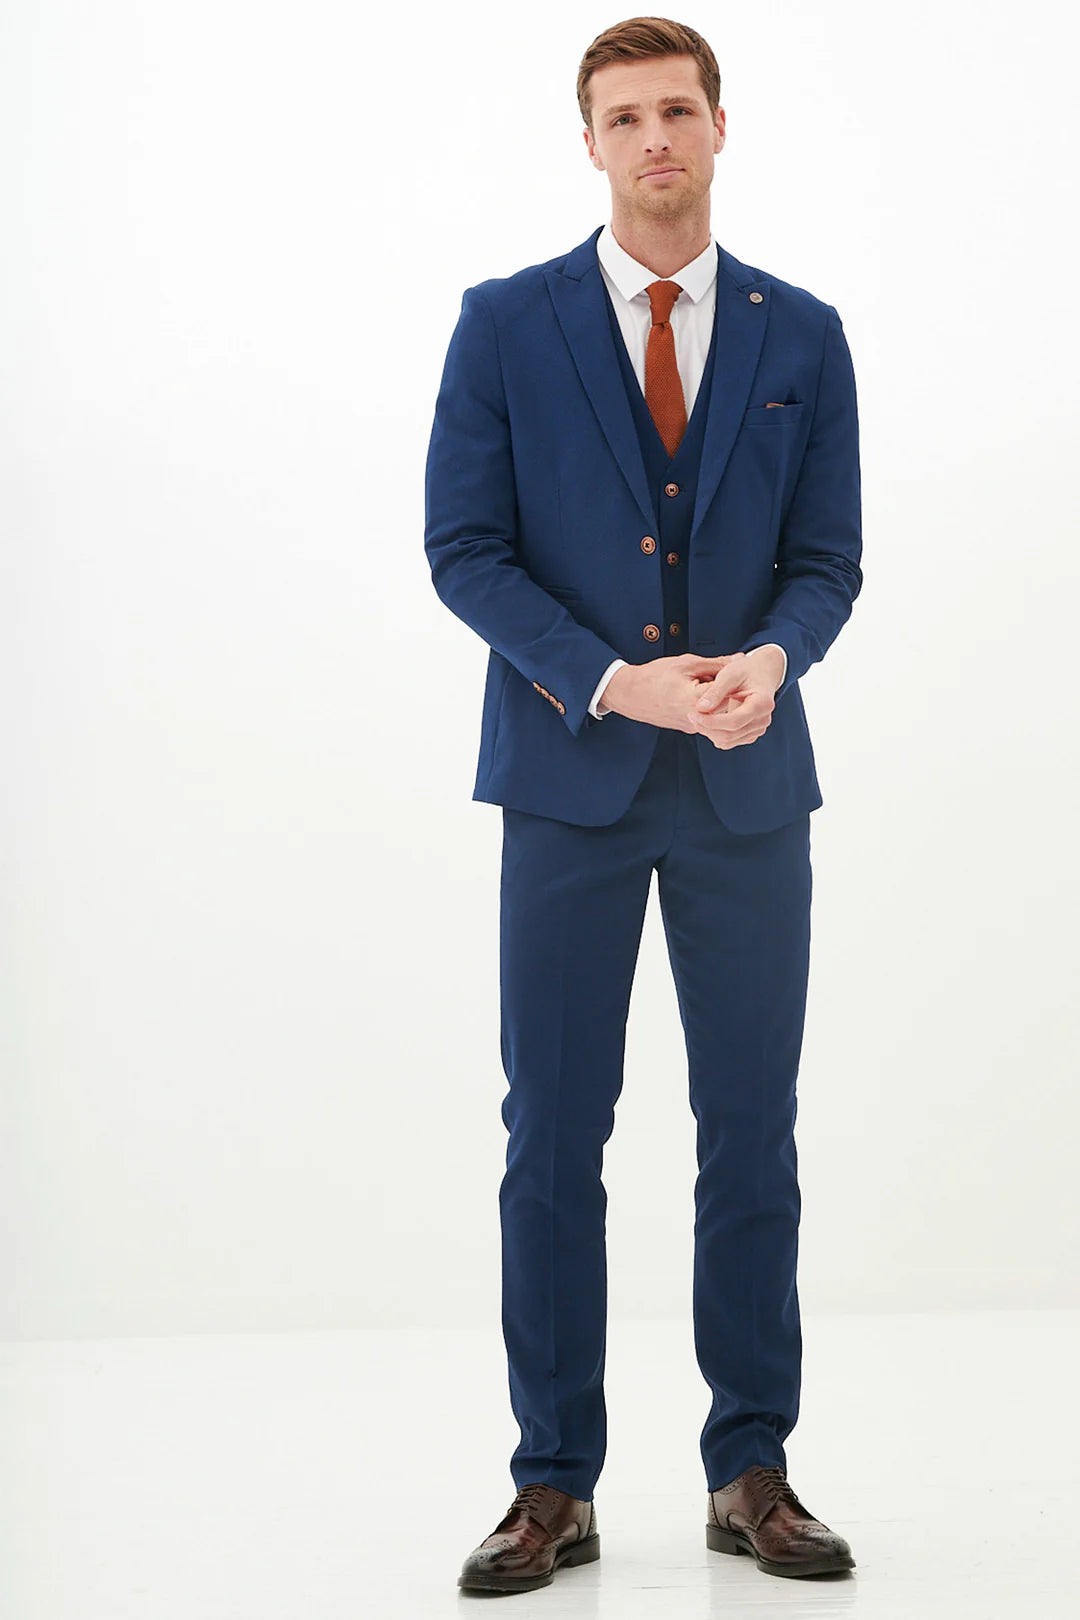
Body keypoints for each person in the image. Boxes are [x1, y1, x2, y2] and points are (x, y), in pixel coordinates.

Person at [424, 15, 862, 1596]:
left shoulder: (800, 335)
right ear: (591, 142)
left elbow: (829, 562)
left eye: (679, 109)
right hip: (567, 784)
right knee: (553, 1135)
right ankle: (555, 1486)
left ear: (721, 129)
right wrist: (610, 681)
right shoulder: (504, 325)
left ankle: (753, 1466)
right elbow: (464, 550)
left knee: (752, 1135)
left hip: (748, 788)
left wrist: (770, 655)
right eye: (625, 116)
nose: (655, 137)